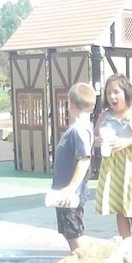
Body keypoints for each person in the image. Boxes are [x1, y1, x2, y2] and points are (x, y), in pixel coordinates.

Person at [95, 73, 132, 241]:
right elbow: (96, 138)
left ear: (125, 93)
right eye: (108, 93)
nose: (112, 97)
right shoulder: (104, 116)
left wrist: (128, 142)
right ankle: (126, 243)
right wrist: (99, 141)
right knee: (119, 208)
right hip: (112, 167)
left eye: (116, 92)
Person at [50, 82, 96, 252]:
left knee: (74, 234)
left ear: (70, 104)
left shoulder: (78, 130)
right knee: (69, 233)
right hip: (65, 194)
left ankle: (85, 260)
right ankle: (79, 257)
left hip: (70, 195)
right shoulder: (84, 128)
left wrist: (71, 188)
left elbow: (84, 159)